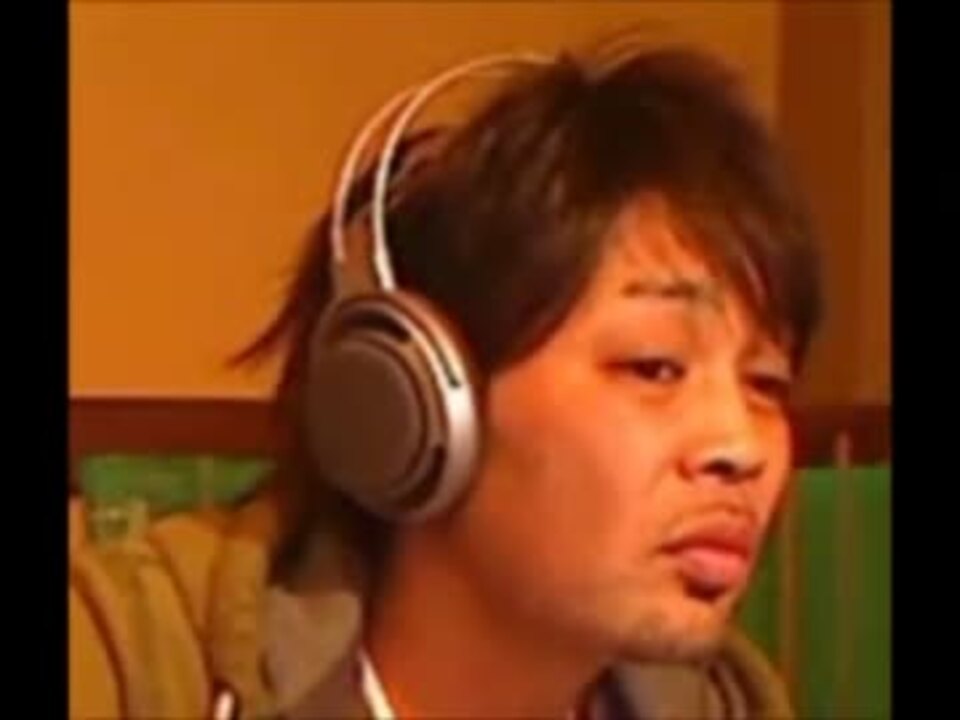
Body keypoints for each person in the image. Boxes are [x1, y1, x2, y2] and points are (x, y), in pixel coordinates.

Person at [69, 39, 821, 720]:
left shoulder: (731, 704)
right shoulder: (130, 663)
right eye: (654, 367)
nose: (740, 447)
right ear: (414, 401)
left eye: (766, 384)